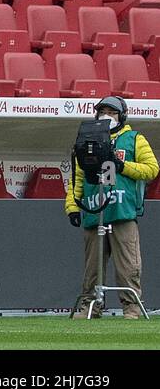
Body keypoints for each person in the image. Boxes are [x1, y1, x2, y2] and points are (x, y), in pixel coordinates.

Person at [65, 95, 158, 318]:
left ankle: (132, 307)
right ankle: (89, 307)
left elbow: (152, 169)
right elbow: (77, 177)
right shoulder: (86, 138)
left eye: (112, 112)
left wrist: (122, 165)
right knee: (92, 268)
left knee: (128, 265)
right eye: (103, 111)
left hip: (123, 211)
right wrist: (72, 207)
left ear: (122, 115)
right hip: (93, 211)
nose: (107, 115)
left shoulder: (135, 139)